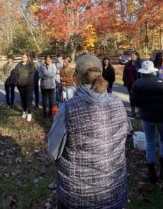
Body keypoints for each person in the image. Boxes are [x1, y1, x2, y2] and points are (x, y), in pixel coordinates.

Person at [48, 54, 130, 208]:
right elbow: (125, 133)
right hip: (114, 190)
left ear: (76, 77)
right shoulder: (118, 103)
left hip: (78, 196)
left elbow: (53, 152)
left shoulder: (67, 108)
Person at [130, 60, 163, 183]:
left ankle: (152, 173)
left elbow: (133, 100)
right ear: (153, 71)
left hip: (147, 116)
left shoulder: (138, 83)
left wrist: (142, 107)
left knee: (150, 143)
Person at [14, 52, 36, 122]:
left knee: (28, 99)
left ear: (27, 58)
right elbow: (15, 74)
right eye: (22, 57)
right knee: (22, 99)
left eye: (25, 57)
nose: (23, 58)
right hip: (20, 86)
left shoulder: (31, 65)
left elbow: (31, 76)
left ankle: (29, 113)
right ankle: (24, 111)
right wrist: (17, 82)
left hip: (28, 86)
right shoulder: (18, 65)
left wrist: (26, 82)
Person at [122, 50, 143, 118]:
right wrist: (125, 81)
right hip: (129, 83)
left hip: (138, 83)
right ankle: (133, 112)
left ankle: (140, 112)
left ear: (137, 56)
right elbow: (125, 72)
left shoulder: (140, 63)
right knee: (131, 98)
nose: (131, 57)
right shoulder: (128, 63)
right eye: (131, 56)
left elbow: (142, 73)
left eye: (133, 56)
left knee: (139, 98)